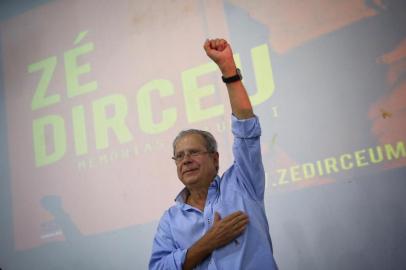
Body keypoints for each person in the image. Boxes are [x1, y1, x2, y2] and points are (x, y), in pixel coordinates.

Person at [149, 38, 278, 270]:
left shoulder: (242, 184)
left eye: (193, 152)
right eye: (179, 156)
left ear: (215, 158)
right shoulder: (170, 220)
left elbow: (246, 129)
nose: (186, 160)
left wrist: (228, 70)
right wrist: (208, 242)